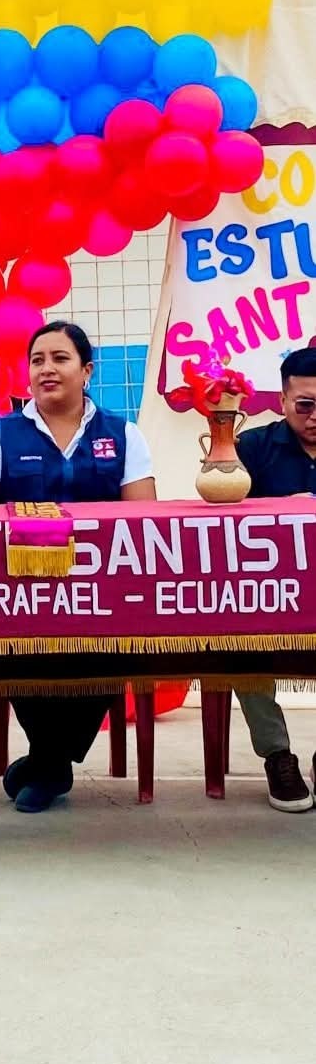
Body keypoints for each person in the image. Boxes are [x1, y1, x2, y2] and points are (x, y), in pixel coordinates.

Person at [0, 321, 156, 813]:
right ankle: (51, 763)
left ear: (87, 370)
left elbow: (142, 518)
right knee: (13, 650)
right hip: (22, 591)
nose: (46, 369)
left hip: (103, 593)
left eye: (60, 358)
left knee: (120, 643)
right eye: (37, 360)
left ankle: (47, 763)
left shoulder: (125, 434)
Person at [231, 346, 316, 812]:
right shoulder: (251, 448)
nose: (315, 416)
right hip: (267, 594)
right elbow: (221, 523)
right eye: (305, 405)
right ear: (282, 401)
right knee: (239, 647)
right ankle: (277, 755)